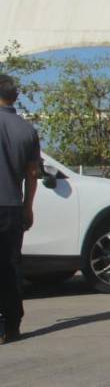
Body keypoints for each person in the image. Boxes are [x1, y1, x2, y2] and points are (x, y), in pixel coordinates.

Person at [0, 73, 40, 343]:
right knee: (12, 264)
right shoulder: (27, 130)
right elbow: (32, 173)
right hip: (12, 207)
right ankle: (11, 325)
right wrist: (28, 207)